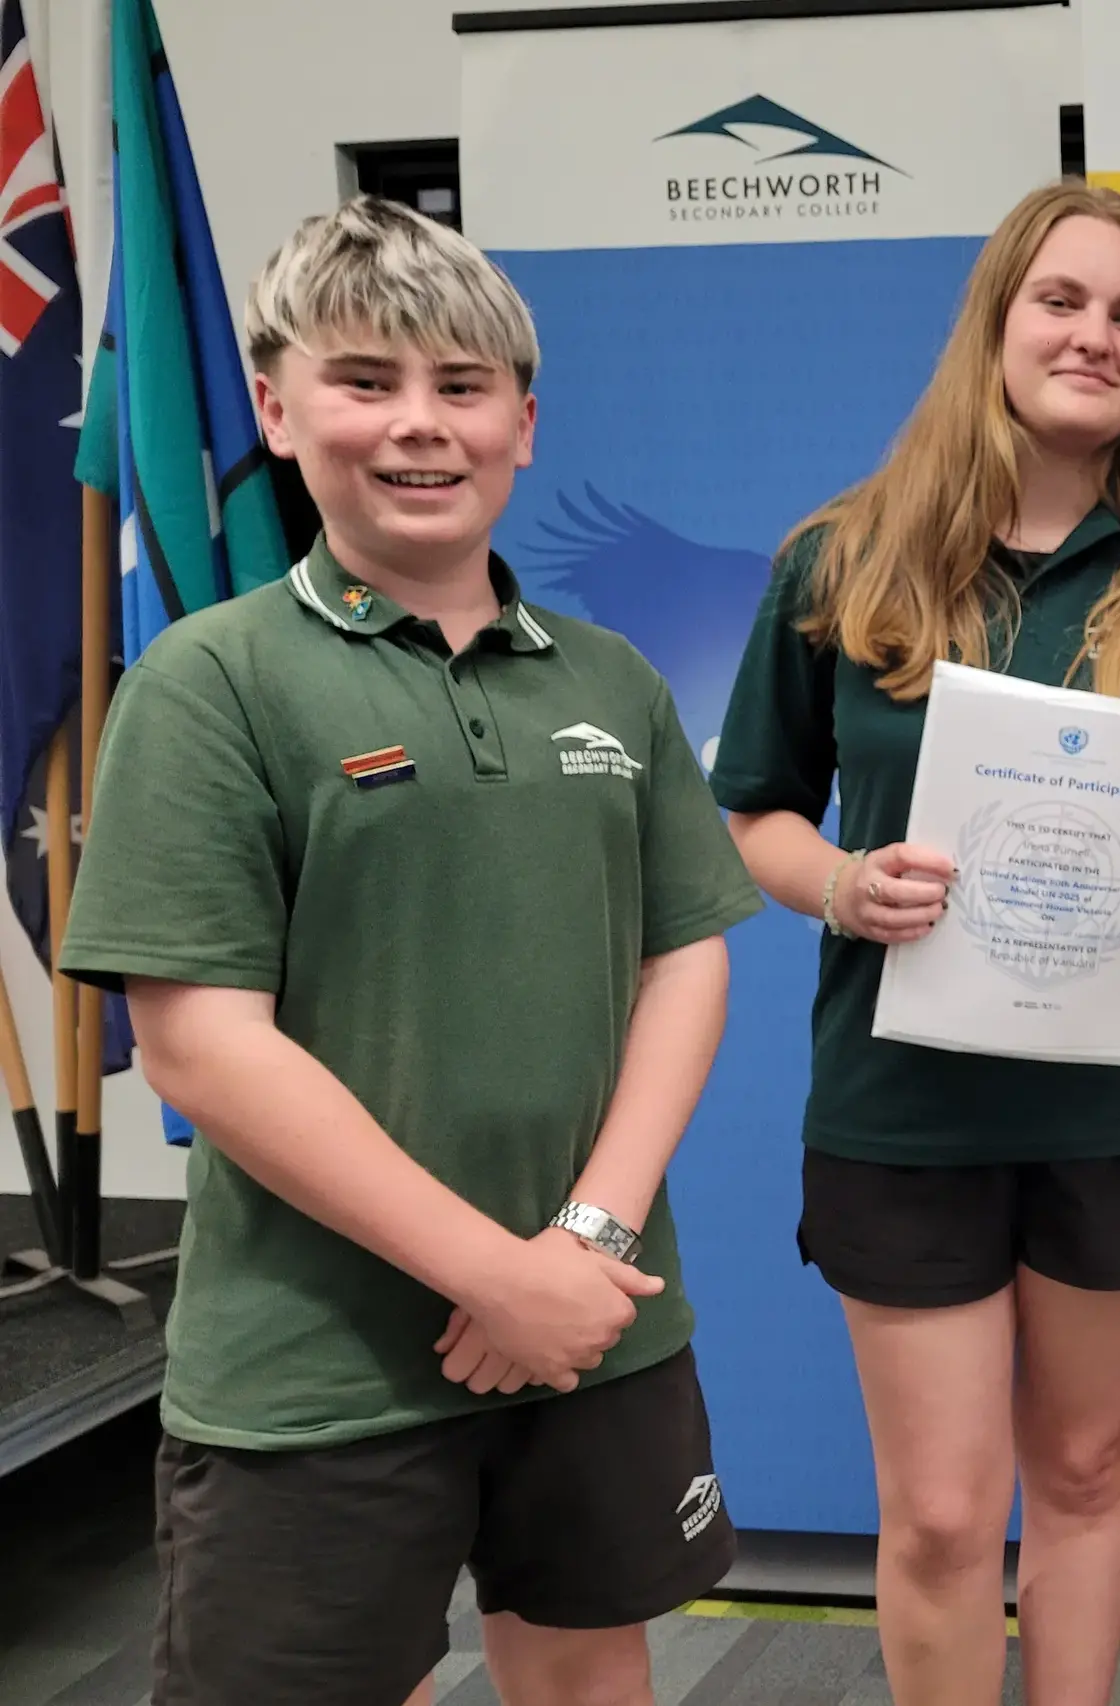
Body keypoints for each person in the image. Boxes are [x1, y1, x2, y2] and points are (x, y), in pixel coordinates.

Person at [58, 196, 761, 1706]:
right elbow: (199, 1041)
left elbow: (683, 960)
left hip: (597, 1327)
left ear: (522, 418)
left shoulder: (613, 679)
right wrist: (489, 1274)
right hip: (315, 1364)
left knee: (590, 1673)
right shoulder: (210, 679)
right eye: (365, 381)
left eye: (460, 387)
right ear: (276, 404)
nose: (417, 426)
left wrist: (582, 1246)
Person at [711, 181, 1120, 1706]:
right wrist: (841, 886)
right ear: (996, 325)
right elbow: (753, 809)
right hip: (908, 1115)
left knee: (1086, 1468)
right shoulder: (840, 561)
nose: (1096, 335)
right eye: (1063, 300)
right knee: (949, 1512)